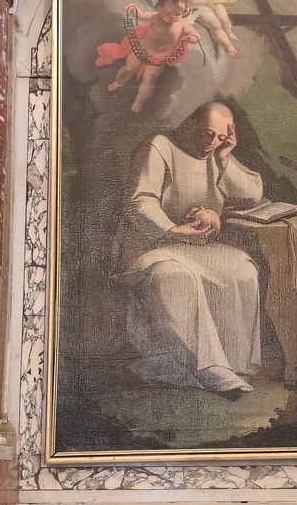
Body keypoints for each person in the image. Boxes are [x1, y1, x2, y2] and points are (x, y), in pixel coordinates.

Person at [112, 102, 263, 398]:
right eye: (208, 133)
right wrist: (172, 230)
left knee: (242, 271)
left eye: (221, 137)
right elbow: (139, 201)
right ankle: (209, 369)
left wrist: (224, 158)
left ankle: (234, 364)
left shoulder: (216, 153)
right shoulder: (160, 146)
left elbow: (252, 196)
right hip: (152, 244)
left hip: (193, 246)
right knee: (175, 277)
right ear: (192, 123)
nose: (212, 142)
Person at [96, 0, 200, 112]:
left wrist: (192, 37)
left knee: (150, 79)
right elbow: (141, 14)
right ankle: (118, 82)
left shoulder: (182, 24)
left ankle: (139, 101)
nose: (173, 17)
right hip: (142, 49)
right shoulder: (154, 17)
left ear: (184, 12)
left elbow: (194, 33)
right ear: (159, 8)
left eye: (178, 13)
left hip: (159, 58)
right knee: (129, 68)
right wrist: (133, 8)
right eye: (168, 12)